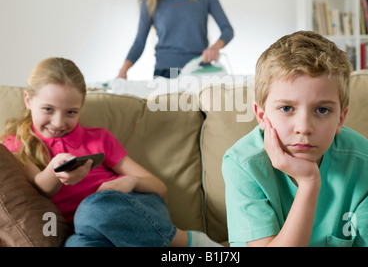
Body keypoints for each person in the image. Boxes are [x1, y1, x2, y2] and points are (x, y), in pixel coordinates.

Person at [0, 57, 221, 247]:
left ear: (81, 108)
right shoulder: (17, 144)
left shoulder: (98, 138)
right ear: (28, 100)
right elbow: (41, 187)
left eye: (71, 112)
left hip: (134, 207)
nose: (58, 122)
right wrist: (56, 168)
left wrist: (130, 182)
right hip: (86, 231)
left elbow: (159, 188)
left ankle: (188, 241)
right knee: (76, 243)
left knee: (90, 211)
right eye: (48, 109)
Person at [222, 31, 368, 247]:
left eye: (321, 110)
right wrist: (309, 181)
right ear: (262, 116)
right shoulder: (243, 164)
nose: (304, 128)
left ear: (340, 118)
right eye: (286, 108)